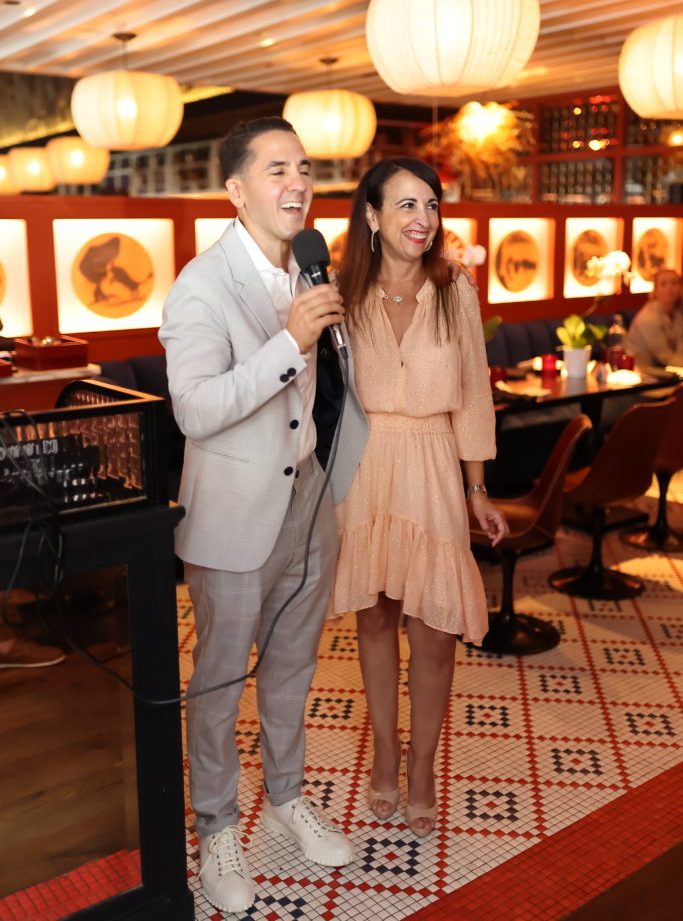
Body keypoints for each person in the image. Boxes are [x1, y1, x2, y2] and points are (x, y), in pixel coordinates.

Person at [159, 117, 368, 914]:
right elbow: (196, 409)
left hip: (309, 507)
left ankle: (287, 797)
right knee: (217, 683)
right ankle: (217, 828)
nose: (298, 183)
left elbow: (328, 396)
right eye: (277, 169)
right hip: (234, 517)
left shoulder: (309, 272)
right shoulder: (201, 285)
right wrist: (286, 341)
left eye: (306, 169)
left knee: (291, 670)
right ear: (236, 190)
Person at [329, 157, 508, 838]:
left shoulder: (453, 286)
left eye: (429, 205)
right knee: (373, 619)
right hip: (366, 465)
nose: (422, 219)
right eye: (405, 205)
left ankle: (423, 766)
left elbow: (472, 392)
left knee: (433, 632)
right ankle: (382, 751)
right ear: (371, 216)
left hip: (433, 464)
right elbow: (320, 398)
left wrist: (476, 488)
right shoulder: (340, 291)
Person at [625, 267, 683, 369]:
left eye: (674, 283)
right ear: (655, 290)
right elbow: (665, 357)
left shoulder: (677, 314)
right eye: (663, 284)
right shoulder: (648, 318)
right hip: (641, 371)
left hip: (665, 370)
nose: (670, 288)